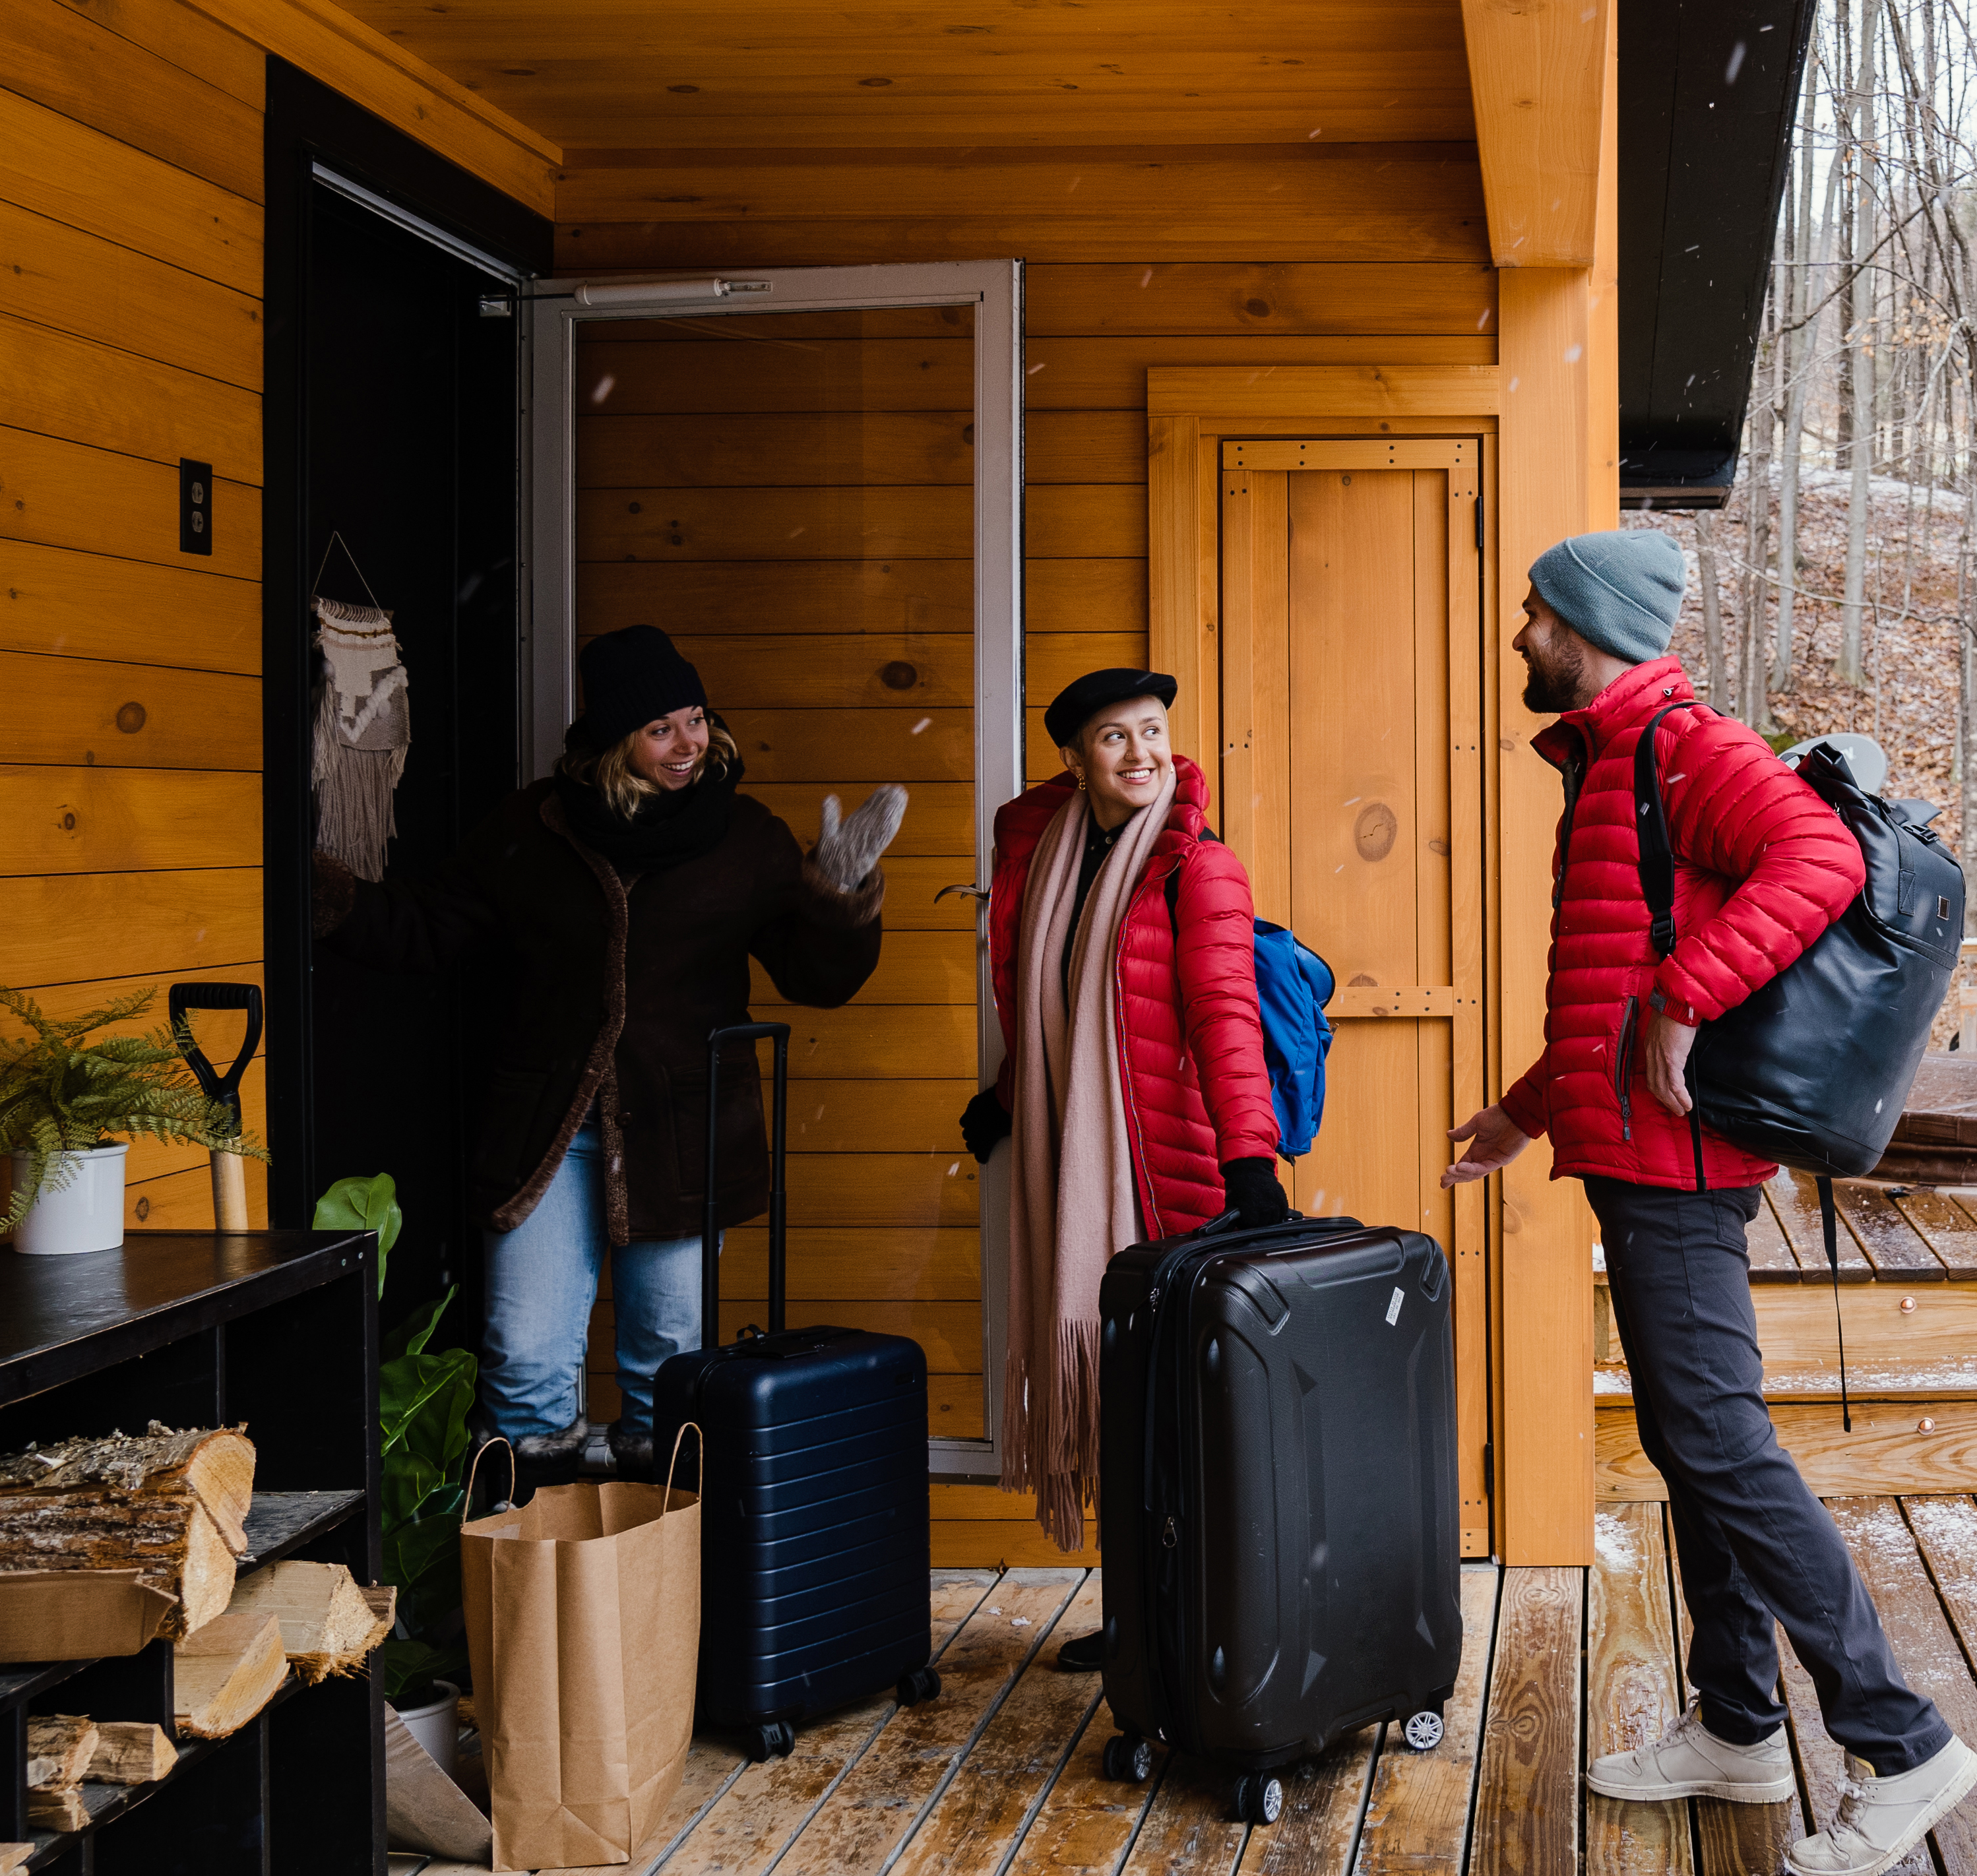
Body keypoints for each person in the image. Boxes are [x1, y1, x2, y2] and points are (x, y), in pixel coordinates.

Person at [1442, 531, 1977, 1876]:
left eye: (1534, 615)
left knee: (1721, 1440)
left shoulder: (1691, 746)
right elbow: (1609, 988)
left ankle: (1903, 1739)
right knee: (1695, 1443)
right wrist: (1529, 1106)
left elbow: (1820, 861)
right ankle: (1741, 1723)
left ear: (1587, 624)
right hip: (1633, 1150)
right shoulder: (1618, 757)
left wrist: (1693, 992)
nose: (1520, 636)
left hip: (1681, 1165)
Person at [318, 624, 901, 1478]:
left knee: (669, 1362)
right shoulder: (535, 828)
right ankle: (539, 1585)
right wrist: (330, 899)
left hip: (679, 1134)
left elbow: (818, 978)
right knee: (522, 1359)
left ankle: (656, 1586)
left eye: (696, 720)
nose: (688, 744)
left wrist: (837, 897)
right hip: (550, 1130)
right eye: (662, 728)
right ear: (614, 740)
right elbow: (432, 927)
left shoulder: (745, 838)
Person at [964, 668, 1287, 1588]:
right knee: (1124, 1403)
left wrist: (1251, 1161)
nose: (1142, 753)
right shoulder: (1046, 856)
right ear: (1073, 759)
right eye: (1115, 738)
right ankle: (1139, 1622)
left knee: (1167, 1407)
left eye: (1153, 731)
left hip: (1162, 1168)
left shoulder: (1196, 864)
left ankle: (1198, 1620)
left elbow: (1226, 1015)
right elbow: (1041, 1001)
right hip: (1067, 1147)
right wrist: (1007, 1095)